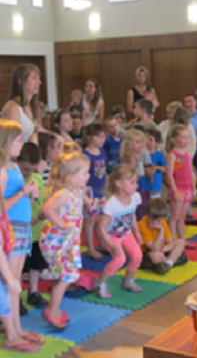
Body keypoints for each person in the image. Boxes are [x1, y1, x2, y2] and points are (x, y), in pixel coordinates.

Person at [0, 120, 43, 345]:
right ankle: (11, 334)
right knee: (10, 282)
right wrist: (24, 193)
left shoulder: (14, 167)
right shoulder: (3, 170)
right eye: (17, 139)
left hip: (22, 227)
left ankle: (17, 328)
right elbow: (1, 206)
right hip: (11, 228)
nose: (21, 143)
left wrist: (31, 193)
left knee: (15, 281)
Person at [39, 152, 90, 329]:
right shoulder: (64, 194)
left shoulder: (76, 190)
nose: (88, 176)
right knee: (67, 275)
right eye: (84, 173)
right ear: (70, 177)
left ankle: (54, 304)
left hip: (68, 241)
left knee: (68, 274)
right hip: (57, 241)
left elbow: (82, 201)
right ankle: (52, 310)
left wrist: (88, 201)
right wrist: (61, 223)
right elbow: (47, 209)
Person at [95, 164, 143, 298]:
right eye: (132, 182)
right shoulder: (111, 204)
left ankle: (128, 280)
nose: (136, 185)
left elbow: (132, 214)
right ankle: (101, 282)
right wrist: (110, 245)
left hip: (126, 234)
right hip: (112, 237)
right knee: (119, 260)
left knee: (137, 256)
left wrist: (137, 232)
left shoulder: (135, 197)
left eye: (136, 182)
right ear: (119, 184)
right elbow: (101, 227)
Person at [17, 143, 48, 309]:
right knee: (21, 268)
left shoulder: (36, 178)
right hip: (20, 232)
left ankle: (34, 293)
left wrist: (43, 212)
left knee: (36, 265)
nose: (28, 172)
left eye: (32, 169)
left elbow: (40, 200)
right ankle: (18, 298)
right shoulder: (15, 179)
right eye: (25, 169)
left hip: (36, 232)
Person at [139, 198, 188, 275]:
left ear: (163, 217)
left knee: (181, 242)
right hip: (145, 254)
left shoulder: (163, 222)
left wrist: (164, 248)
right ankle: (172, 260)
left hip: (160, 249)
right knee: (157, 255)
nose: (155, 223)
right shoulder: (142, 224)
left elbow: (169, 241)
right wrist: (160, 231)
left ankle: (168, 264)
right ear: (147, 214)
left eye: (158, 221)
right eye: (151, 219)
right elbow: (154, 248)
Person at [166, 124, 196, 247]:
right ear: (174, 139)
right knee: (174, 216)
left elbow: (190, 172)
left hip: (187, 188)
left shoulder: (187, 153)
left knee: (182, 217)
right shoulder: (172, 155)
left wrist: (193, 189)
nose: (186, 140)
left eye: (188, 137)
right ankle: (172, 240)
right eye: (183, 137)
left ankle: (181, 240)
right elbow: (169, 175)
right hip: (177, 189)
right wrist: (175, 191)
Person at [2, 63, 44, 143]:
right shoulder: (13, 108)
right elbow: (8, 142)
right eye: (34, 78)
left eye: (39, 78)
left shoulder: (34, 108)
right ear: (21, 81)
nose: (39, 82)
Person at [82, 124, 107, 260]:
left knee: (101, 220)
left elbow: (104, 173)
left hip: (102, 191)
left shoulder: (102, 152)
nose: (102, 139)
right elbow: (83, 176)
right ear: (89, 137)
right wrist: (84, 195)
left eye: (103, 136)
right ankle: (91, 248)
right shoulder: (85, 154)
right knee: (90, 220)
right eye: (98, 136)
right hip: (90, 192)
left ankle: (101, 244)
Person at [120, 128, 154, 221]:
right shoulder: (132, 158)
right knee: (139, 206)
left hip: (142, 183)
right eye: (137, 142)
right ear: (129, 144)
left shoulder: (138, 156)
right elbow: (131, 174)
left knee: (144, 205)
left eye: (142, 141)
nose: (141, 144)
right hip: (137, 185)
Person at [145, 128, 166, 199]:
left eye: (150, 139)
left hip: (155, 187)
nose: (147, 141)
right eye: (145, 139)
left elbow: (165, 169)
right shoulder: (141, 154)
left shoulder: (159, 155)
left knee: (154, 206)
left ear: (156, 143)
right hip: (143, 187)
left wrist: (156, 167)